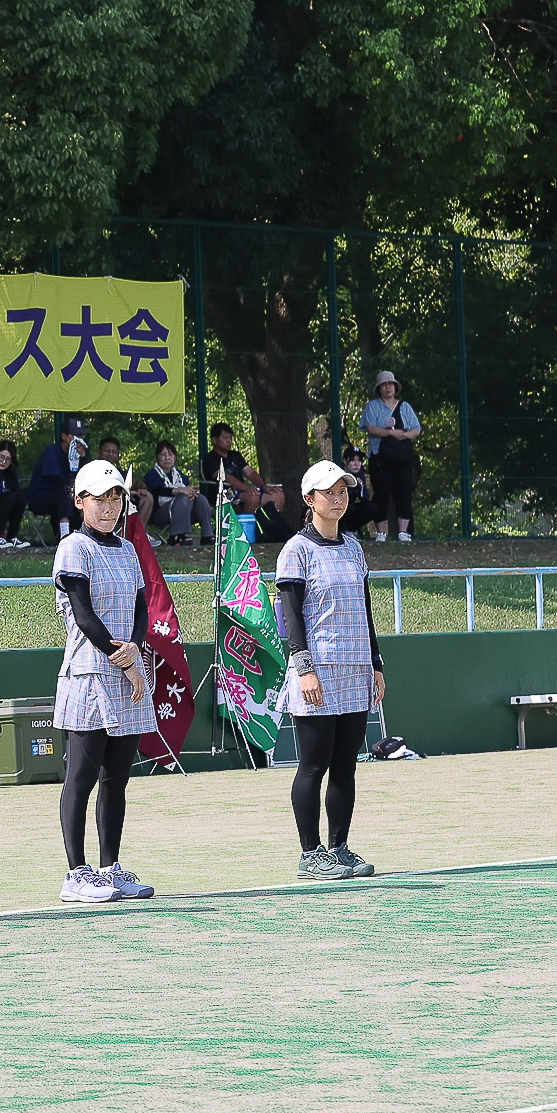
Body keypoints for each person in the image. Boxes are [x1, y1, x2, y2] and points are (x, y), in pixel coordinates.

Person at [52, 461, 158, 905]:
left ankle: (110, 868)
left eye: (115, 497)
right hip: (88, 674)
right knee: (81, 777)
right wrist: (128, 662)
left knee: (117, 778)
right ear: (80, 502)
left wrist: (135, 647)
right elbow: (84, 615)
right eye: (99, 498)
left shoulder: (128, 550)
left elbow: (140, 609)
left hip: (126, 674)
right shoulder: (73, 547)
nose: (109, 507)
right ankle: (76, 874)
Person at [278, 460, 386, 882]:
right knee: (313, 764)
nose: (338, 499)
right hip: (317, 671)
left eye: (343, 491)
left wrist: (376, 664)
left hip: (356, 670)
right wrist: (304, 668)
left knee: (346, 764)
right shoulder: (296, 550)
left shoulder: (354, 547)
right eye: (329, 492)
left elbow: (365, 609)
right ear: (309, 499)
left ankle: (338, 848)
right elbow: (291, 617)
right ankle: (310, 854)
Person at [361, 370, 421, 541]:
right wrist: (390, 433)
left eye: (390, 385)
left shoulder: (405, 407)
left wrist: (405, 435)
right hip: (380, 457)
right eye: (384, 385)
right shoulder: (372, 406)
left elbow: (416, 428)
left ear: (395, 387)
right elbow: (370, 428)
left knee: (404, 493)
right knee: (381, 493)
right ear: (379, 389)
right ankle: (381, 532)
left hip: (402, 457)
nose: (388, 388)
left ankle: (403, 532)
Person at [140, 440, 213, 546]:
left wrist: (192, 492)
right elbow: (158, 490)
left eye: (170, 454)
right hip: (160, 513)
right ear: (157, 457)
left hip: (184, 511)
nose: (167, 458)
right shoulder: (152, 474)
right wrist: (180, 490)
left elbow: (187, 488)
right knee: (183, 498)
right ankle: (176, 536)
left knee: (200, 498)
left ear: (175, 457)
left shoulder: (179, 475)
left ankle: (207, 535)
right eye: (163, 455)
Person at [26, 419, 86, 540]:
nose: (78, 440)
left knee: (83, 497)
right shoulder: (51, 452)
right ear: (64, 436)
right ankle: (64, 536)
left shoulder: (79, 454)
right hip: (41, 497)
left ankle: (81, 537)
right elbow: (56, 479)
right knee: (65, 491)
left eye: (81, 436)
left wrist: (83, 458)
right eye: (75, 436)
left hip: (64, 500)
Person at [202, 422, 265, 517]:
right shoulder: (210, 459)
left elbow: (250, 473)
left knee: (277, 495)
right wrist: (247, 488)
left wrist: (263, 486)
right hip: (224, 495)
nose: (229, 441)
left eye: (230, 438)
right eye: (225, 438)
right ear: (214, 440)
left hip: (242, 492)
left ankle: (270, 525)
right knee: (253, 498)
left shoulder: (236, 455)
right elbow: (225, 477)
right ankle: (245, 525)